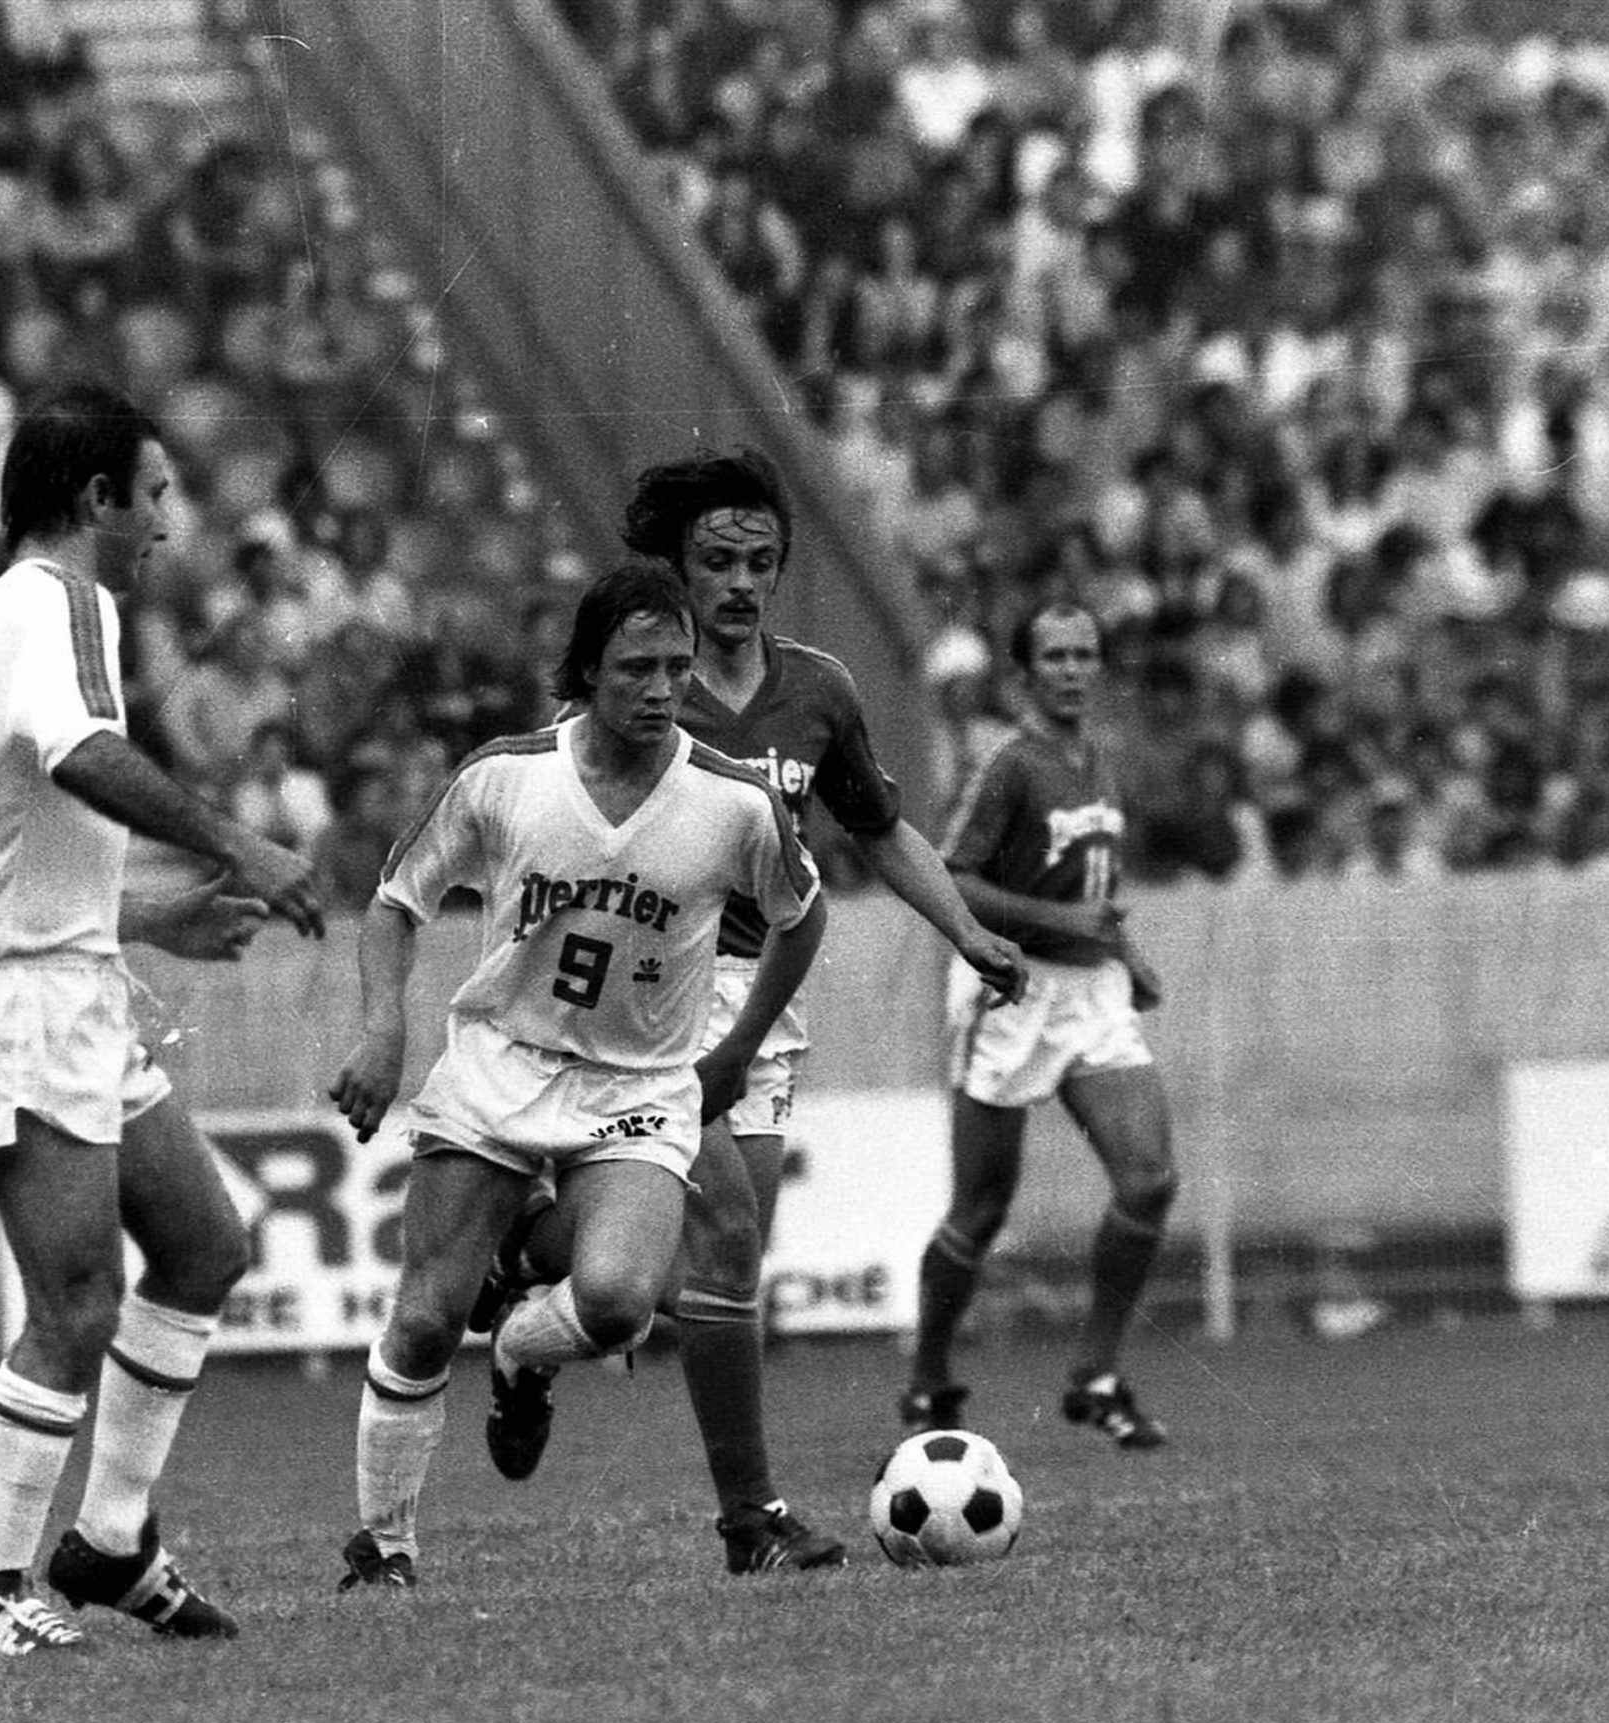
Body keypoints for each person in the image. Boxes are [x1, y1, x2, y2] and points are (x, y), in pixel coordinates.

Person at [464, 450, 1029, 1574]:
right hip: (640, 993)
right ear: (674, 563)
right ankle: (751, 1521)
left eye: (761, 561)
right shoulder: (631, 687)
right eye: (717, 558)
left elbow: (876, 829)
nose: (740, 581)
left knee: (699, 1277)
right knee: (717, 1242)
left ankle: (521, 1308)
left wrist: (965, 928)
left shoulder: (815, 691)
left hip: (760, 994)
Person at [326, 562, 826, 1590]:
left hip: (635, 1085)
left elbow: (801, 911)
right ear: (587, 668)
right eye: (636, 666)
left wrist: (734, 1050)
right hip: (501, 1064)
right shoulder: (508, 776)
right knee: (423, 1314)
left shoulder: (730, 801)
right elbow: (394, 900)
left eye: (677, 667)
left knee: (615, 1304)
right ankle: (382, 1547)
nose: (660, 687)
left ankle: (518, 1345)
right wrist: (383, 1030)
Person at [0, 383, 325, 1656]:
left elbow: (19, 838)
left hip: (68, 980)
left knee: (203, 1244)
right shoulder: (64, 602)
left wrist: (151, 917)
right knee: (78, 1297)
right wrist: (238, 842)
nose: (165, 520)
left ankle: (107, 1543)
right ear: (95, 501)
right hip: (24, 1003)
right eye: (152, 493)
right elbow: (85, 753)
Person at [902, 598, 1182, 1450]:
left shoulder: (1099, 756)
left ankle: (1094, 1375)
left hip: (1090, 992)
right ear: (1023, 674)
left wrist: (1122, 950)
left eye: (1084, 653)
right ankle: (928, 1380)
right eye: (1054, 655)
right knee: (981, 1209)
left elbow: (1094, 890)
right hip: (1011, 985)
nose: (1072, 668)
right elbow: (955, 878)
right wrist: (1062, 926)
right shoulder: (1010, 765)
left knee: (1149, 1177)